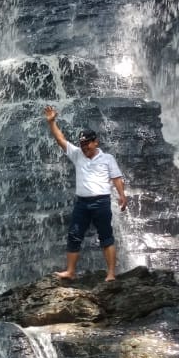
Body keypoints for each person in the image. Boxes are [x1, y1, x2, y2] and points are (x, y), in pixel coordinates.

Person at [43, 106, 128, 282]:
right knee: (74, 236)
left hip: (101, 202)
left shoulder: (107, 158)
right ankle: (70, 271)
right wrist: (52, 122)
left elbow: (117, 178)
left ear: (95, 142)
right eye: (82, 144)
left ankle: (111, 274)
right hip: (82, 204)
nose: (84, 147)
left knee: (106, 237)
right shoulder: (77, 154)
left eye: (87, 143)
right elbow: (60, 139)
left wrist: (122, 196)